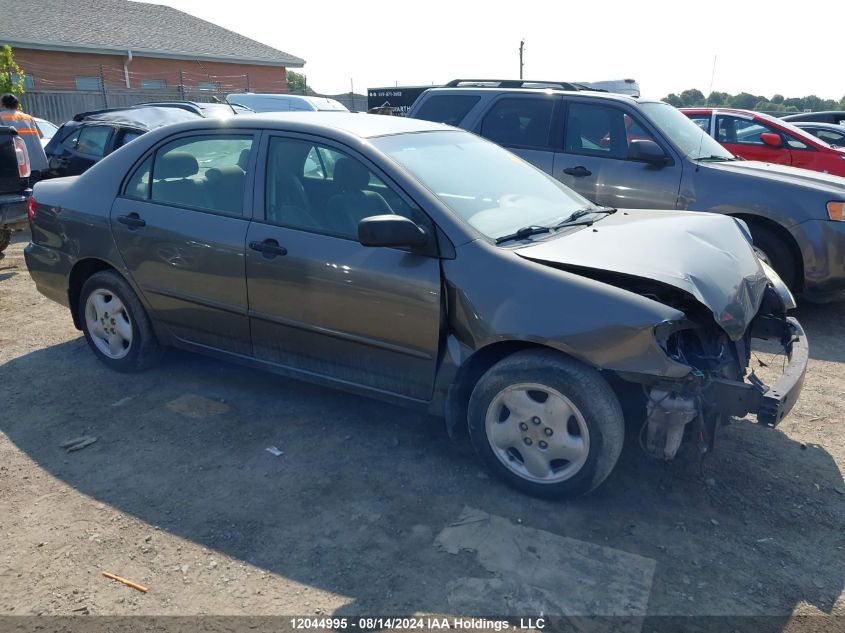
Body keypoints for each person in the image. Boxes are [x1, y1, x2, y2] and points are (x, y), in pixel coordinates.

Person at [1, 93, 49, 181]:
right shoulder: (28, 117)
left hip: (15, 165)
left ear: (2, 104)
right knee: (33, 191)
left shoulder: (1, 116)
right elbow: (41, 135)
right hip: (35, 163)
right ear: (17, 105)